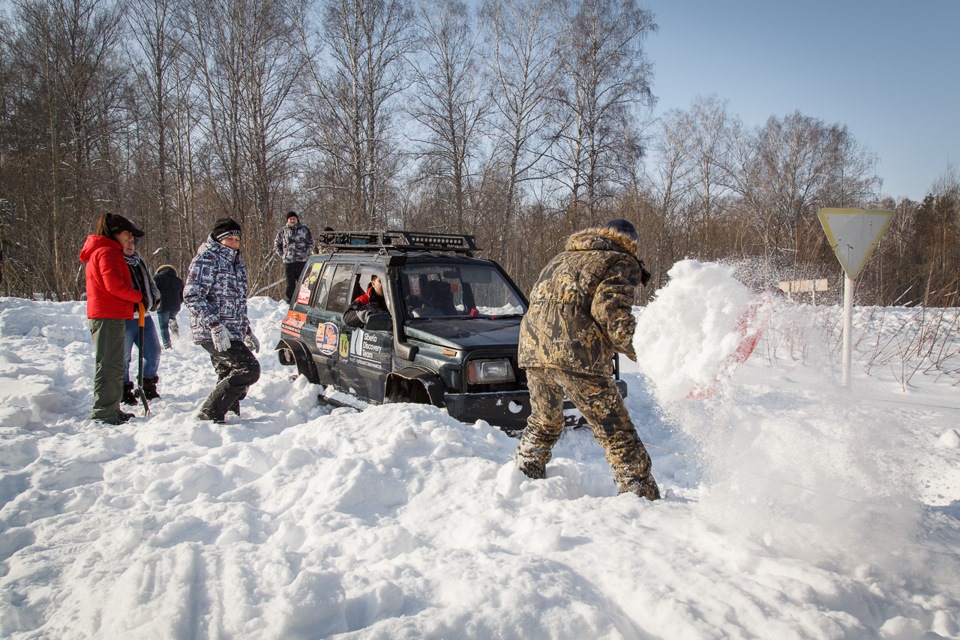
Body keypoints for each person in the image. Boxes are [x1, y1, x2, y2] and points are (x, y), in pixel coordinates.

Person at [514, 218, 660, 501]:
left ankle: (522, 476)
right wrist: (648, 351)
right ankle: (639, 496)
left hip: (533, 350)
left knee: (545, 421)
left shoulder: (561, 258)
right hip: (576, 354)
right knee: (616, 431)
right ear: (630, 242)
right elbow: (611, 312)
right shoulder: (620, 260)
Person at [184, 217, 261, 423]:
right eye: (230, 239)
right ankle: (209, 413)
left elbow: (238, 302)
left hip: (233, 329)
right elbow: (192, 295)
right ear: (219, 239)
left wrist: (246, 330)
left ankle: (228, 415)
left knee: (228, 371)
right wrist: (214, 325)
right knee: (248, 369)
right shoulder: (207, 259)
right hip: (213, 330)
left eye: (238, 239)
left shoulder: (236, 263)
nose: (235, 243)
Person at [78, 213, 144, 424]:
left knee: (114, 363)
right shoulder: (107, 253)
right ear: (116, 233)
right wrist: (138, 296)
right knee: (111, 365)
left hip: (110, 313)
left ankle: (111, 408)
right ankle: (104, 411)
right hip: (108, 314)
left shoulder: (105, 251)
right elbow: (114, 286)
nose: (129, 239)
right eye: (127, 234)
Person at [121, 240, 163, 404]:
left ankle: (147, 384)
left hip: (144, 315)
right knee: (124, 357)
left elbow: (150, 284)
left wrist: (154, 298)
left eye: (132, 243)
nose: (130, 245)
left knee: (154, 352)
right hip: (125, 317)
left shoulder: (139, 262)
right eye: (127, 243)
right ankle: (124, 389)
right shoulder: (116, 262)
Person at [274, 211, 313, 302]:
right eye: (290, 219)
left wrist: (307, 254)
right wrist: (283, 255)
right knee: (290, 282)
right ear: (287, 220)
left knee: (303, 281)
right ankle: (290, 300)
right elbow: (277, 244)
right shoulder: (283, 231)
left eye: (294, 218)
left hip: (302, 260)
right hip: (289, 261)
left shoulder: (304, 230)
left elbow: (310, 243)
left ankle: (303, 299)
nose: (292, 220)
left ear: (297, 219)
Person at [154, 265, 184, 349]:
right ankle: (177, 340)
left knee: (164, 326)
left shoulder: (158, 278)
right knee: (172, 322)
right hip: (175, 306)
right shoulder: (178, 280)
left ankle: (167, 344)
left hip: (163, 306)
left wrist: (155, 303)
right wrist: (178, 302)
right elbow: (183, 295)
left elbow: (152, 289)